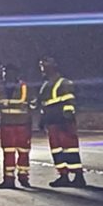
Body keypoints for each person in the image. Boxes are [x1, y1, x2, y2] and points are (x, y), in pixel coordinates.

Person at [35, 55, 84, 186]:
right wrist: (42, 119)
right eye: (42, 66)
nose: (43, 69)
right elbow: (43, 104)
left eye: (44, 66)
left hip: (63, 121)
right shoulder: (45, 85)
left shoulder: (64, 83)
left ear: (52, 67)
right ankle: (63, 175)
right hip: (52, 122)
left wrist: (67, 118)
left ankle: (78, 177)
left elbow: (69, 101)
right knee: (56, 150)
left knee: (70, 148)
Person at [0, 63, 34, 188]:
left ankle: (23, 177)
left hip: (22, 124)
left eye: (10, 72)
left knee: (23, 152)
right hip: (7, 124)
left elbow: (33, 102)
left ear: (16, 74)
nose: (7, 74)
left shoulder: (24, 86)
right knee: (8, 152)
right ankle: (9, 179)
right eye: (5, 72)